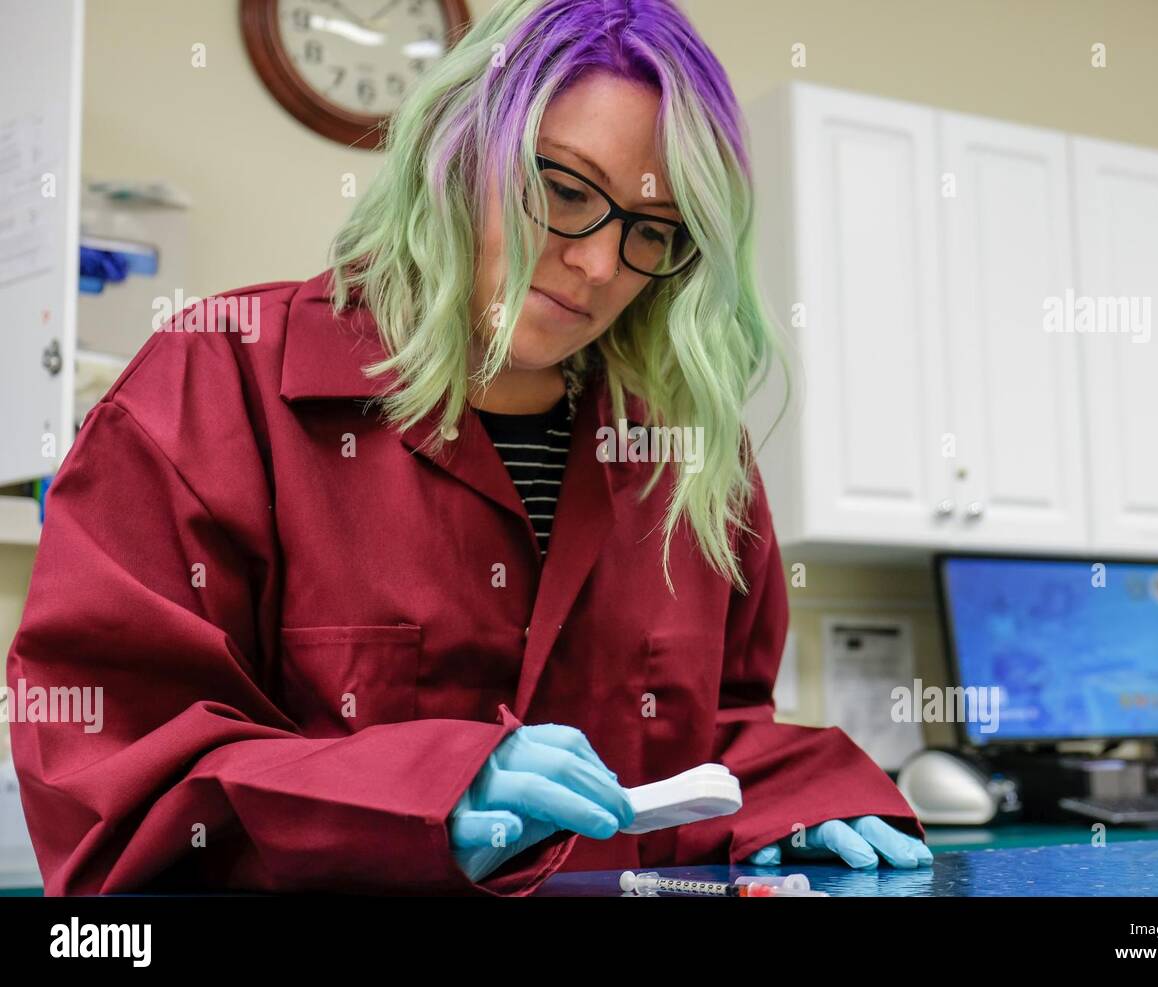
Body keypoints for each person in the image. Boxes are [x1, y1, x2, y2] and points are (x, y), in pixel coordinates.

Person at [6, 0, 929, 896]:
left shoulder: (692, 458)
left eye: (654, 232)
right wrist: (421, 795)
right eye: (566, 190)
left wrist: (802, 797)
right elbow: (112, 787)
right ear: (458, 145)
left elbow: (716, 739)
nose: (601, 266)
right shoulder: (213, 385)